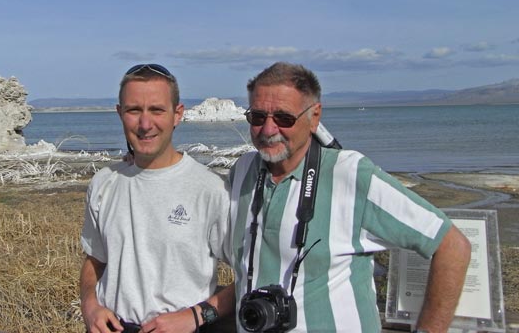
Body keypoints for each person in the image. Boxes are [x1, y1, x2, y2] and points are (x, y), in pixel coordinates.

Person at [229, 62, 471, 333]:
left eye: (284, 118)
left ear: (314, 116)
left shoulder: (351, 174)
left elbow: (451, 245)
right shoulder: (242, 171)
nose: (268, 130)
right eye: (258, 117)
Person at [80, 63, 235, 333]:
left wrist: (196, 317)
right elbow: (94, 261)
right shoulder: (104, 182)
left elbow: (250, 276)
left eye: (156, 110)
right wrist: (90, 306)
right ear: (120, 114)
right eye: (133, 110)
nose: (145, 124)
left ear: (177, 114)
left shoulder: (210, 189)